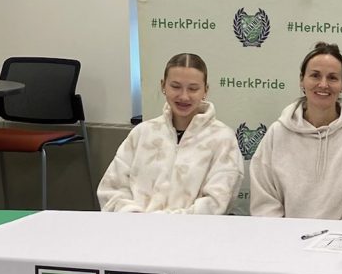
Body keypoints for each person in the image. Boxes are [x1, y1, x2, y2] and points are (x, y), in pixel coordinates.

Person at [249, 42, 342, 221]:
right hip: (284, 244)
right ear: (302, 80)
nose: (323, 84)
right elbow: (264, 201)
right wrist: (284, 239)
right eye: (315, 75)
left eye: (332, 78)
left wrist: (339, 240)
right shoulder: (277, 133)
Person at [98, 52, 243, 214]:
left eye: (193, 88)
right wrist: (137, 219)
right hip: (138, 232)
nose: (184, 96)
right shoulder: (142, 133)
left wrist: (166, 224)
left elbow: (217, 201)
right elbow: (111, 189)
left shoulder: (222, 139)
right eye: (175, 86)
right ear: (163, 86)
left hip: (194, 236)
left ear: (205, 91)